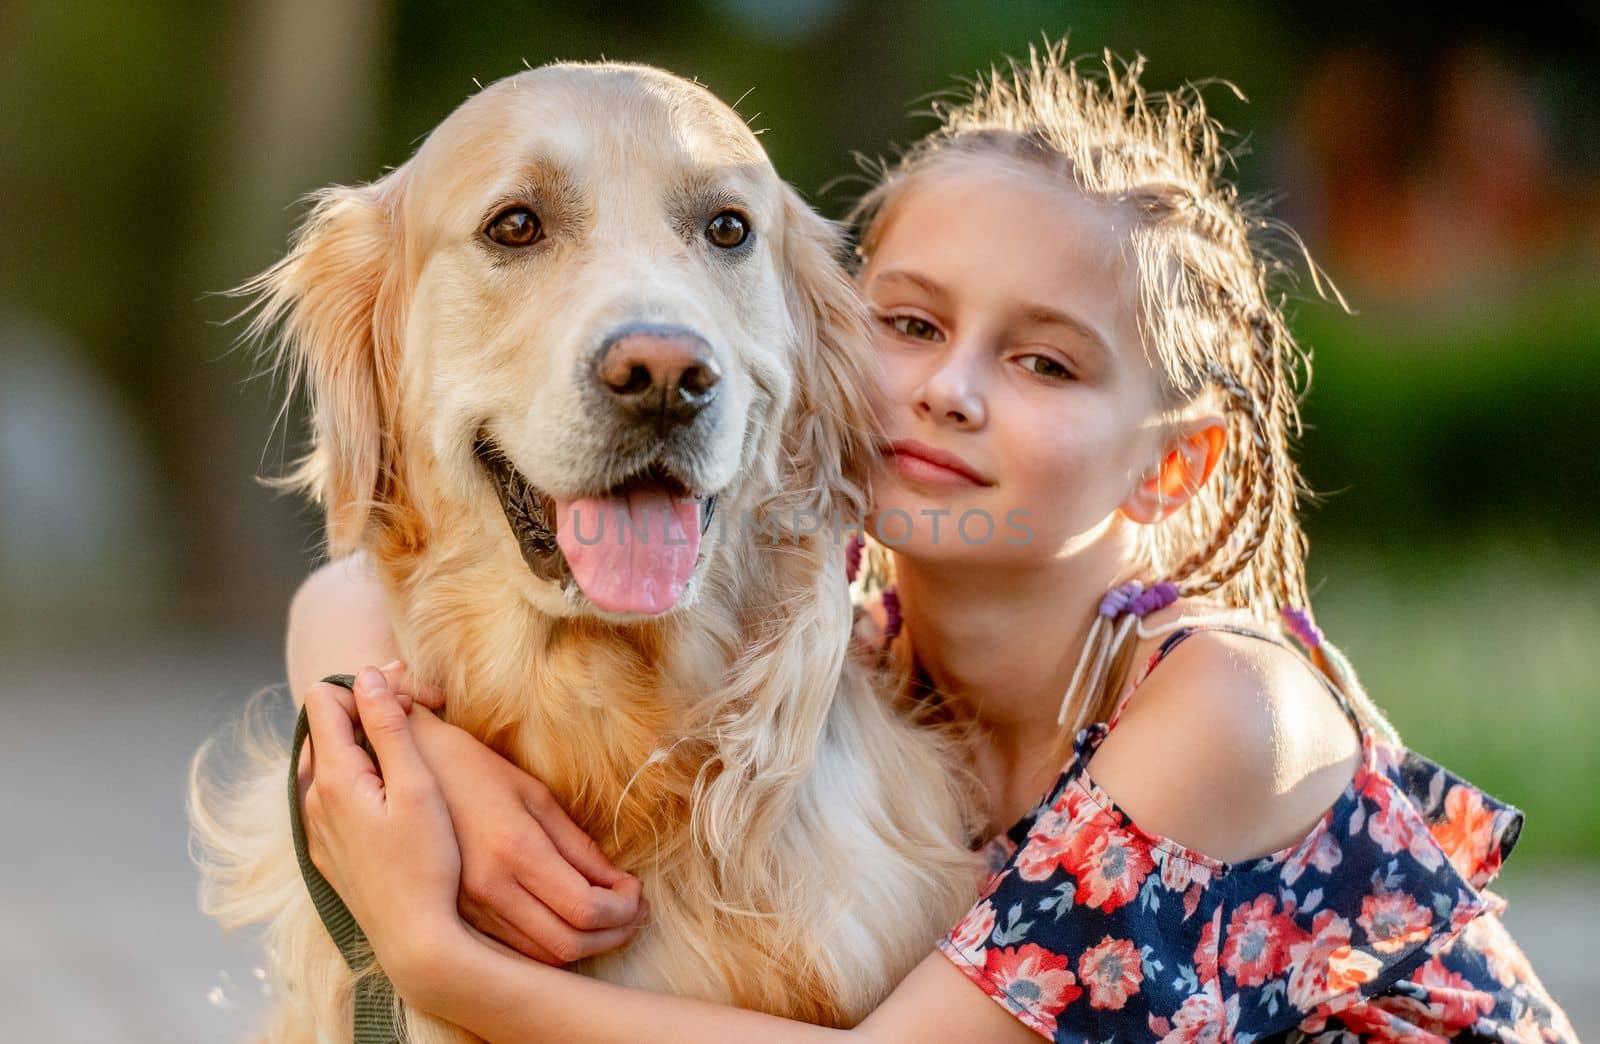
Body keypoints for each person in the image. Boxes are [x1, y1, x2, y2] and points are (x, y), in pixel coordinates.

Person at [290, 41, 1577, 1042]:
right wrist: (405, 739)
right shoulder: (876, 646)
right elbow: (358, 585)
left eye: (1045, 362)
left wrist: (428, 958)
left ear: (1169, 462)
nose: (950, 389)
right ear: (835, 360)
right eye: (908, 325)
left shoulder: (1227, 705)